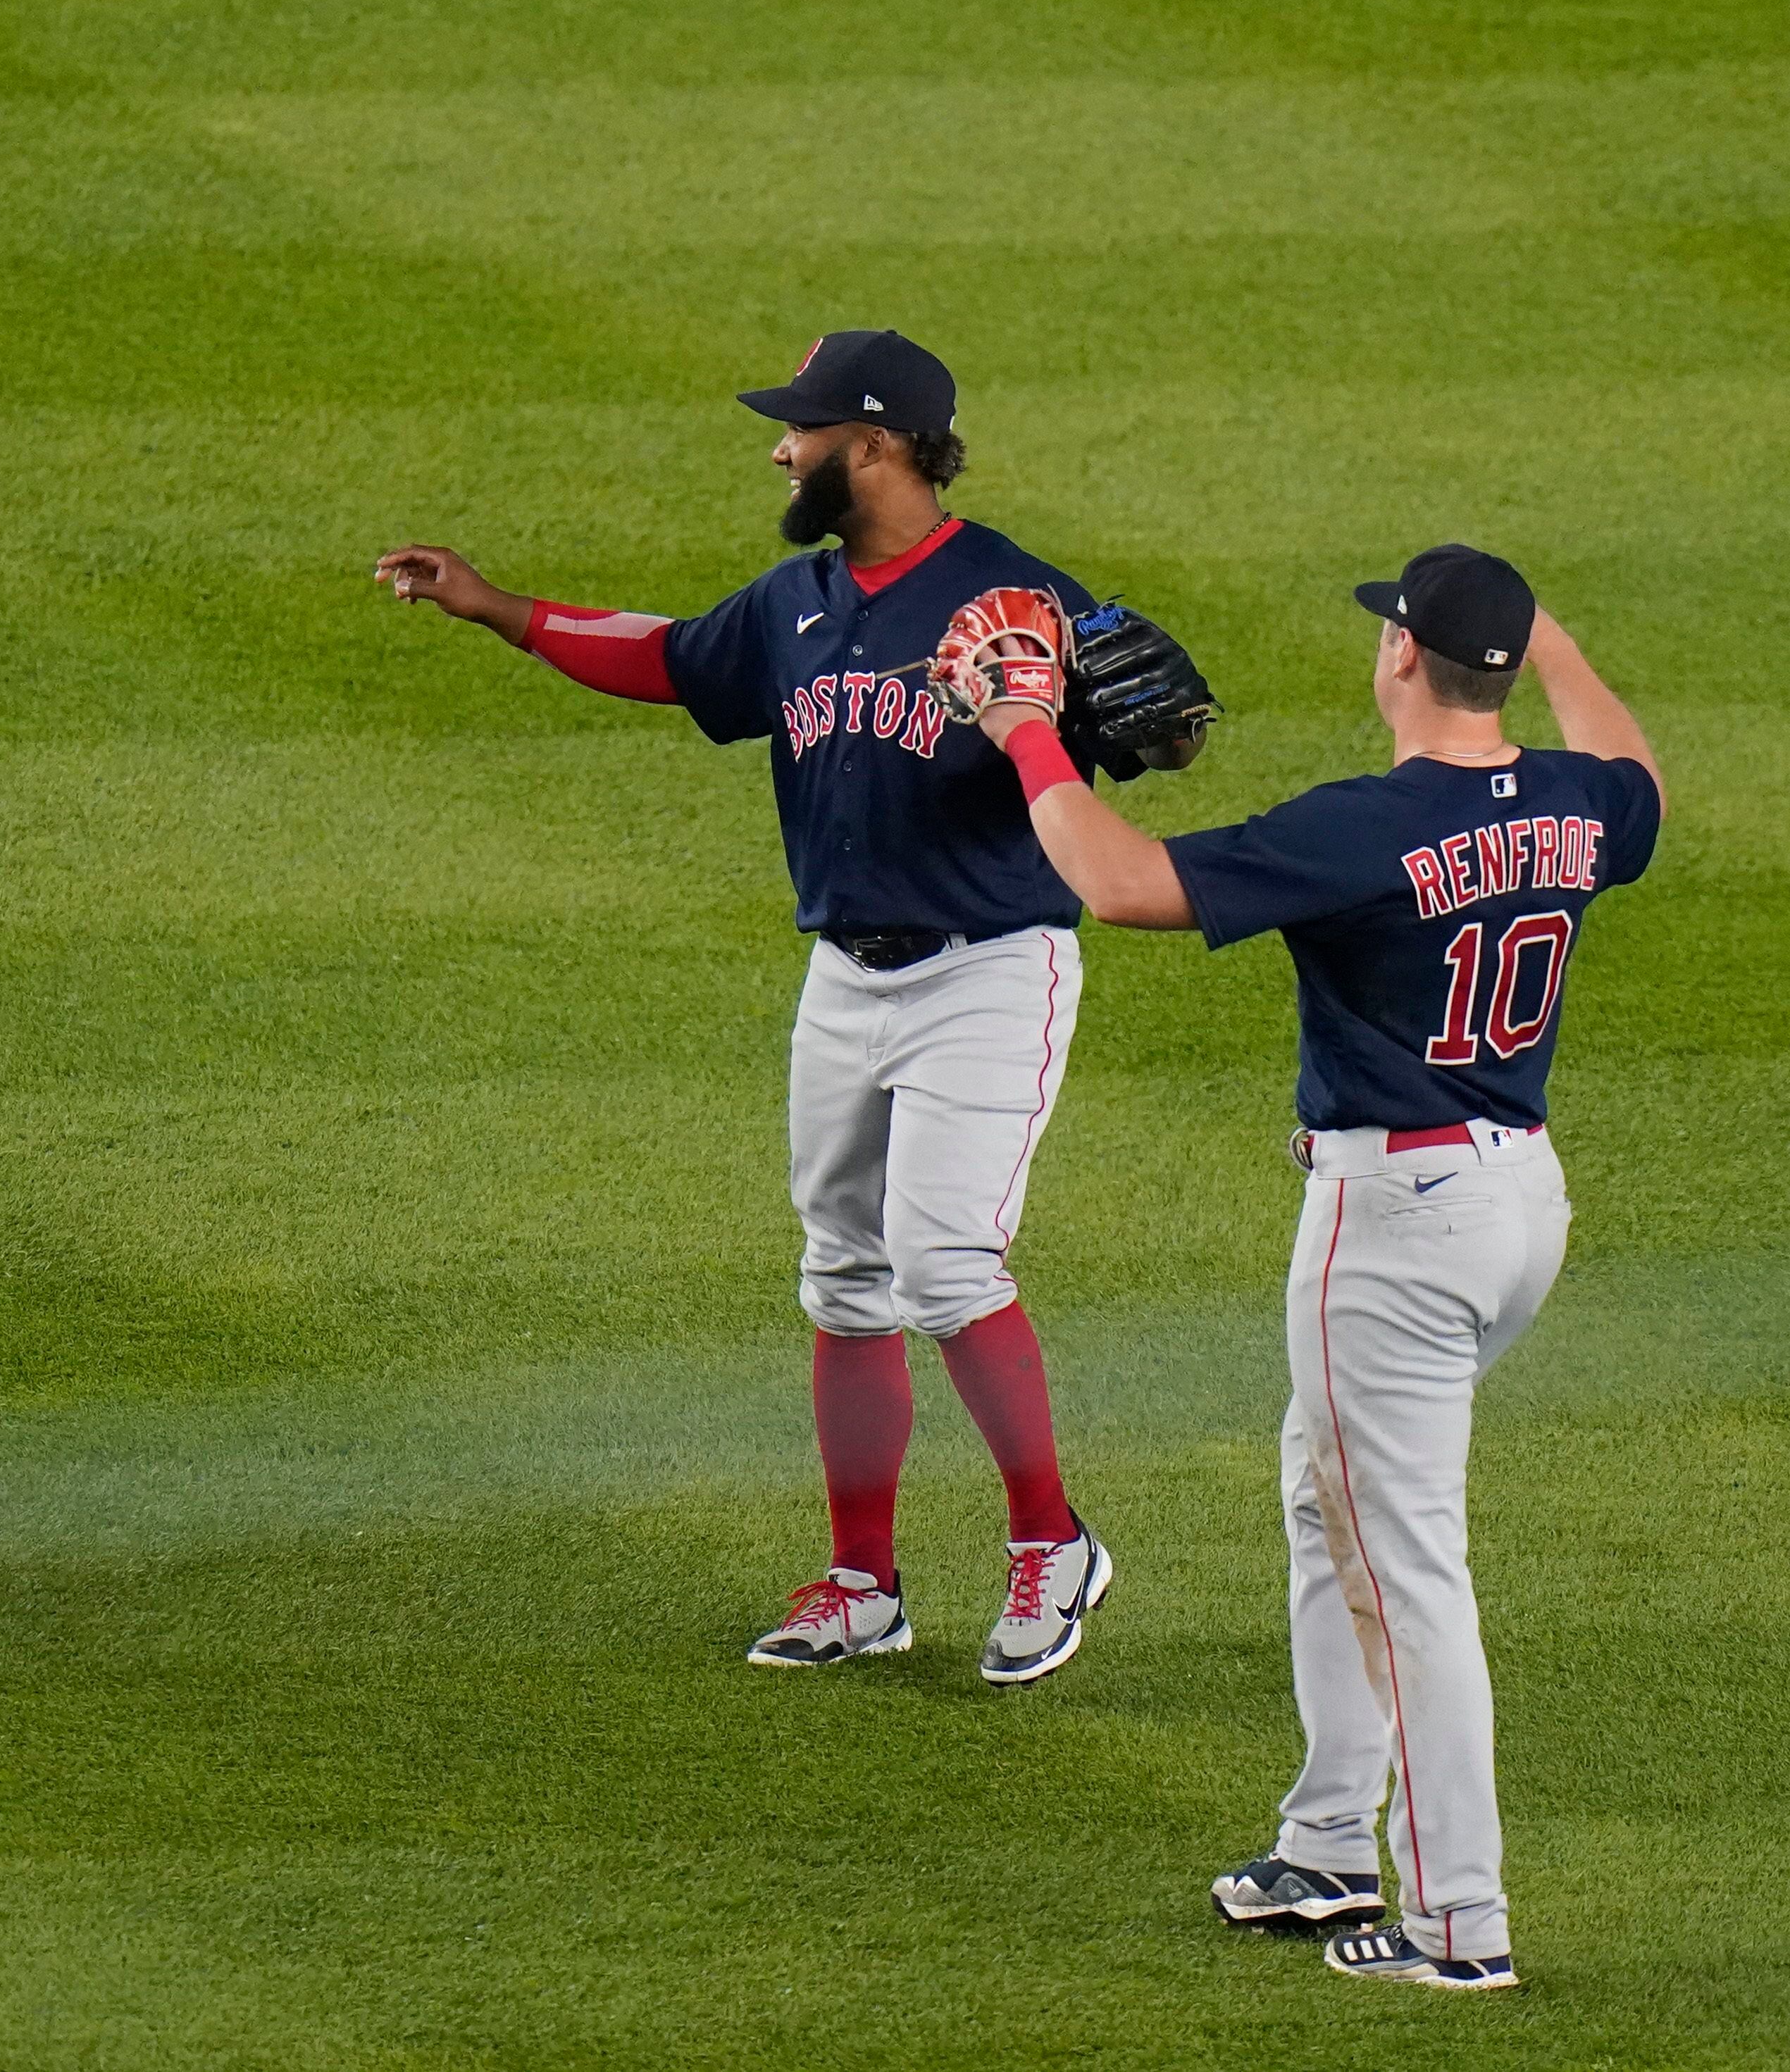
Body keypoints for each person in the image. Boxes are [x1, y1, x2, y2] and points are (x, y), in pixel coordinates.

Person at [375, 331, 1205, 1685]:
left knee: (945, 1265)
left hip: (991, 967)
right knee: (844, 1277)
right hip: (844, 977)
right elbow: (669, 659)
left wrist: (1139, 724)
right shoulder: (797, 601)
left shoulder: (1013, 593)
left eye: (802, 428)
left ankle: (1052, 1543)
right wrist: (497, 607)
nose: (780, 446)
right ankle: (862, 1582)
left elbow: (1161, 729)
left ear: (873, 445)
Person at [952, 542, 1663, 1986]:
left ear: (1399, 657)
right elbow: (1628, 761)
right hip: (1515, 1198)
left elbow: (1124, 881)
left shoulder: (1365, 827)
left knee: (1406, 1566)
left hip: (1394, 1234)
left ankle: (1458, 1925)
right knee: (1323, 1494)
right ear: (1501, 666)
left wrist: (1021, 723)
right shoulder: (1580, 809)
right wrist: (1549, 644)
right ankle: (1330, 1839)